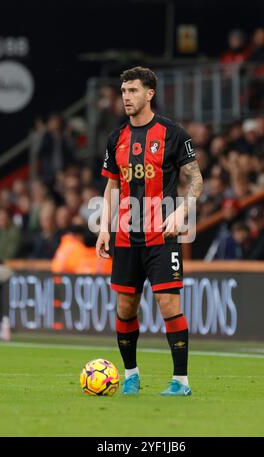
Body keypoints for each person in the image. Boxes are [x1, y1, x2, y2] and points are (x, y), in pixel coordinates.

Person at [96, 67, 203, 396]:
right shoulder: (116, 139)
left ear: (149, 94)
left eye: (132, 91)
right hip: (127, 236)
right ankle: (131, 375)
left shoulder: (173, 134)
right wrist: (104, 228)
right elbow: (112, 186)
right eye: (123, 91)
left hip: (163, 235)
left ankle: (181, 382)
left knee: (168, 303)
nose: (126, 96)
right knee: (126, 307)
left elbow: (196, 180)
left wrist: (182, 211)